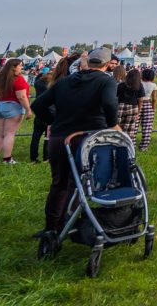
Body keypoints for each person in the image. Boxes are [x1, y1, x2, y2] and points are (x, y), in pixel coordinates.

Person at [30, 47, 118, 251]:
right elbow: (109, 103)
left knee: (59, 183)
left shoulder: (63, 82)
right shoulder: (106, 81)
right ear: (106, 65)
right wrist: (111, 124)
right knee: (80, 183)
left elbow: (38, 106)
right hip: (86, 138)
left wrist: (55, 121)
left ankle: (52, 227)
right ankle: (70, 223)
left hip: (59, 138)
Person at [0, 58, 32, 165]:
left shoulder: (3, 78)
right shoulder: (18, 79)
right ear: (14, 67)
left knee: (0, 134)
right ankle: (7, 159)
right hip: (13, 106)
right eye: (20, 65)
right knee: (9, 134)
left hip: (0, 105)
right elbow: (21, 96)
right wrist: (28, 110)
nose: (22, 67)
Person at [29, 67, 52, 163]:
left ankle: (33, 157)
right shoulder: (51, 87)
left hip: (39, 113)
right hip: (50, 113)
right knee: (48, 137)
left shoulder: (38, 84)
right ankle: (46, 157)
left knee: (35, 137)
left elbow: (37, 77)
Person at [116, 67, 145, 141]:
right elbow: (141, 99)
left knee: (117, 126)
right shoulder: (139, 85)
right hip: (133, 107)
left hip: (121, 106)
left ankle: (116, 141)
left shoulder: (121, 85)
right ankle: (127, 145)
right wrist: (139, 110)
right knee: (130, 129)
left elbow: (116, 96)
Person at [138, 69, 157, 152]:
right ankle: (144, 147)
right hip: (148, 105)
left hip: (137, 104)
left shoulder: (138, 83)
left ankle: (132, 143)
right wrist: (153, 108)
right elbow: (154, 99)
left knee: (134, 126)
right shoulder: (153, 85)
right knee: (147, 127)